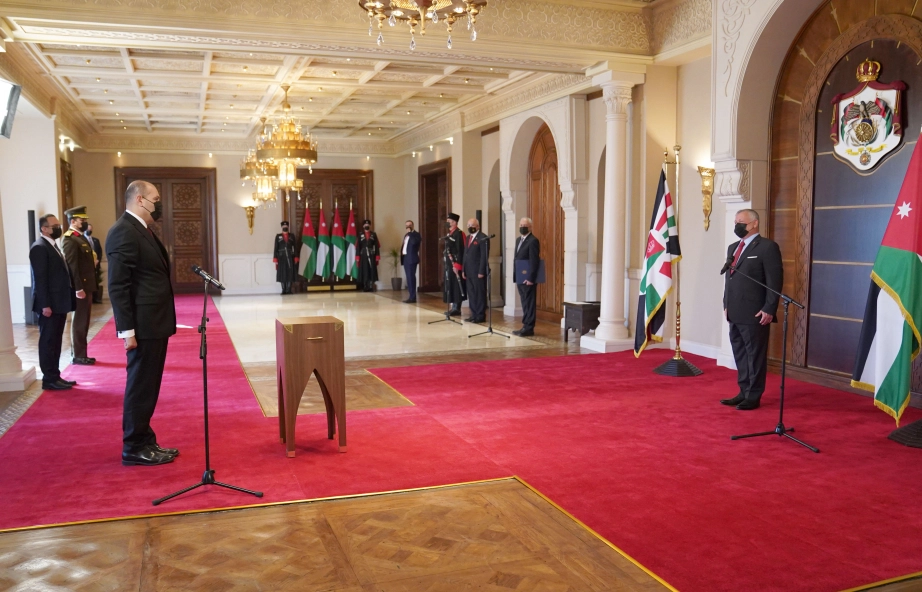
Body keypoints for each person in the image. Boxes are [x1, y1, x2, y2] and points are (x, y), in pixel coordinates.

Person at [107, 180, 178, 466]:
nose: (159, 204)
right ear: (139, 199)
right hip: (143, 326)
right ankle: (134, 446)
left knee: (149, 385)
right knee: (140, 385)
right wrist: (127, 332)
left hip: (154, 323)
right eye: (155, 199)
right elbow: (118, 286)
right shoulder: (123, 231)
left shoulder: (142, 229)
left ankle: (145, 439)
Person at [720, 209, 782, 411]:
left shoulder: (767, 247)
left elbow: (774, 281)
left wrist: (769, 308)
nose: (737, 226)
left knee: (754, 355)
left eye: (741, 222)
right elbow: (729, 279)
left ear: (754, 223)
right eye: (735, 222)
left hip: (756, 312)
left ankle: (754, 395)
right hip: (734, 311)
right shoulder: (733, 248)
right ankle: (743, 391)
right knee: (740, 353)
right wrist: (726, 304)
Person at [30, 214, 77, 391]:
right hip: (49, 305)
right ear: (44, 229)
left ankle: (55, 376)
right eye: (54, 225)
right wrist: (45, 305)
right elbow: (40, 279)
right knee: (48, 341)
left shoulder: (52, 245)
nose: (58, 228)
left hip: (59, 302)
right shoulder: (39, 247)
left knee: (56, 341)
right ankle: (48, 379)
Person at [62, 206, 97, 365]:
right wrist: (78, 288)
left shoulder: (79, 237)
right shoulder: (70, 239)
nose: (84, 222)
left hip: (86, 286)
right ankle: (78, 355)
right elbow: (72, 267)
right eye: (82, 220)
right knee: (79, 322)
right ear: (73, 221)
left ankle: (81, 353)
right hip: (81, 287)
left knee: (84, 321)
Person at [513, 217, 540, 337]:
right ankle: (525, 325)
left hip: (528, 278)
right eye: (521, 225)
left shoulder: (533, 240)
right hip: (520, 276)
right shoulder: (518, 240)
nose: (522, 227)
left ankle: (529, 328)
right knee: (524, 302)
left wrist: (531, 278)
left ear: (530, 227)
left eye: (525, 225)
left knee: (529, 303)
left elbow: (534, 261)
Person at [463, 217, 489, 323]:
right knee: (472, 294)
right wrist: (463, 270)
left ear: (478, 226)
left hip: (478, 271)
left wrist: (481, 271)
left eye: (472, 225)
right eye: (468, 225)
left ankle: (480, 315)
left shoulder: (483, 238)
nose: (470, 227)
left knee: (479, 294)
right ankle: (473, 314)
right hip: (469, 271)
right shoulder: (468, 238)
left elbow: (484, 256)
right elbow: (465, 254)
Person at [443, 213, 465, 316]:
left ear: (454, 222)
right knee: (451, 284)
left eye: (449, 221)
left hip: (455, 263)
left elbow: (460, 250)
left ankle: (457, 308)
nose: (447, 223)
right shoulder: (450, 233)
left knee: (457, 285)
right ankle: (453, 307)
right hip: (449, 263)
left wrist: (458, 265)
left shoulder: (458, 233)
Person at [273, 221, 299, 295]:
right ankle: (283, 289)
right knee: (282, 273)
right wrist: (275, 258)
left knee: (289, 273)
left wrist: (296, 257)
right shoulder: (278, 236)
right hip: (281, 258)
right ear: (281, 227)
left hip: (290, 257)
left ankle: (288, 289)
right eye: (283, 227)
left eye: (286, 227)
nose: (285, 227)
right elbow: (275, 248)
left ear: (288, 227)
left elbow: (295, 247)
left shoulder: (292, 236)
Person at [356, 219, 380, 292]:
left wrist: (377, 256)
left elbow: (376, 246)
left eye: (368, 225)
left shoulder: (373, 234)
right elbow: (358, 246)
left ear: (370, 226)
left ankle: (371, 285)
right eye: (365, 225)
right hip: (363, 255)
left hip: (371, 254)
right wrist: (357, 256)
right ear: (363, 226)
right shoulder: (360, 235)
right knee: (365, 269)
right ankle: (365, 285)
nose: (367, 226)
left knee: (371, 269)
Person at [401, 220, 421, 303]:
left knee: (411, 277)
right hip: (406, 258)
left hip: (412, 259)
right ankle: (411, 296)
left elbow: (414, 242)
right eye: (406, 225)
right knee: (408, 278)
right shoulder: (406, 235)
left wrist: (410, 233)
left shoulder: (416, 234)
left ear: (413, 226)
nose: (408, 227)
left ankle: (412, 297)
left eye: (409, 225)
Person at [86, 223, 104, 304]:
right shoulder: (82, 239)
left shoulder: (96, 240)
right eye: (88, 229)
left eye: (90, 229)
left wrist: (98, 260)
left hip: (96, 264)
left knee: (96, 281)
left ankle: (96, 298)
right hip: (87, 266)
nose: (89, 230)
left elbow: (99, 252)